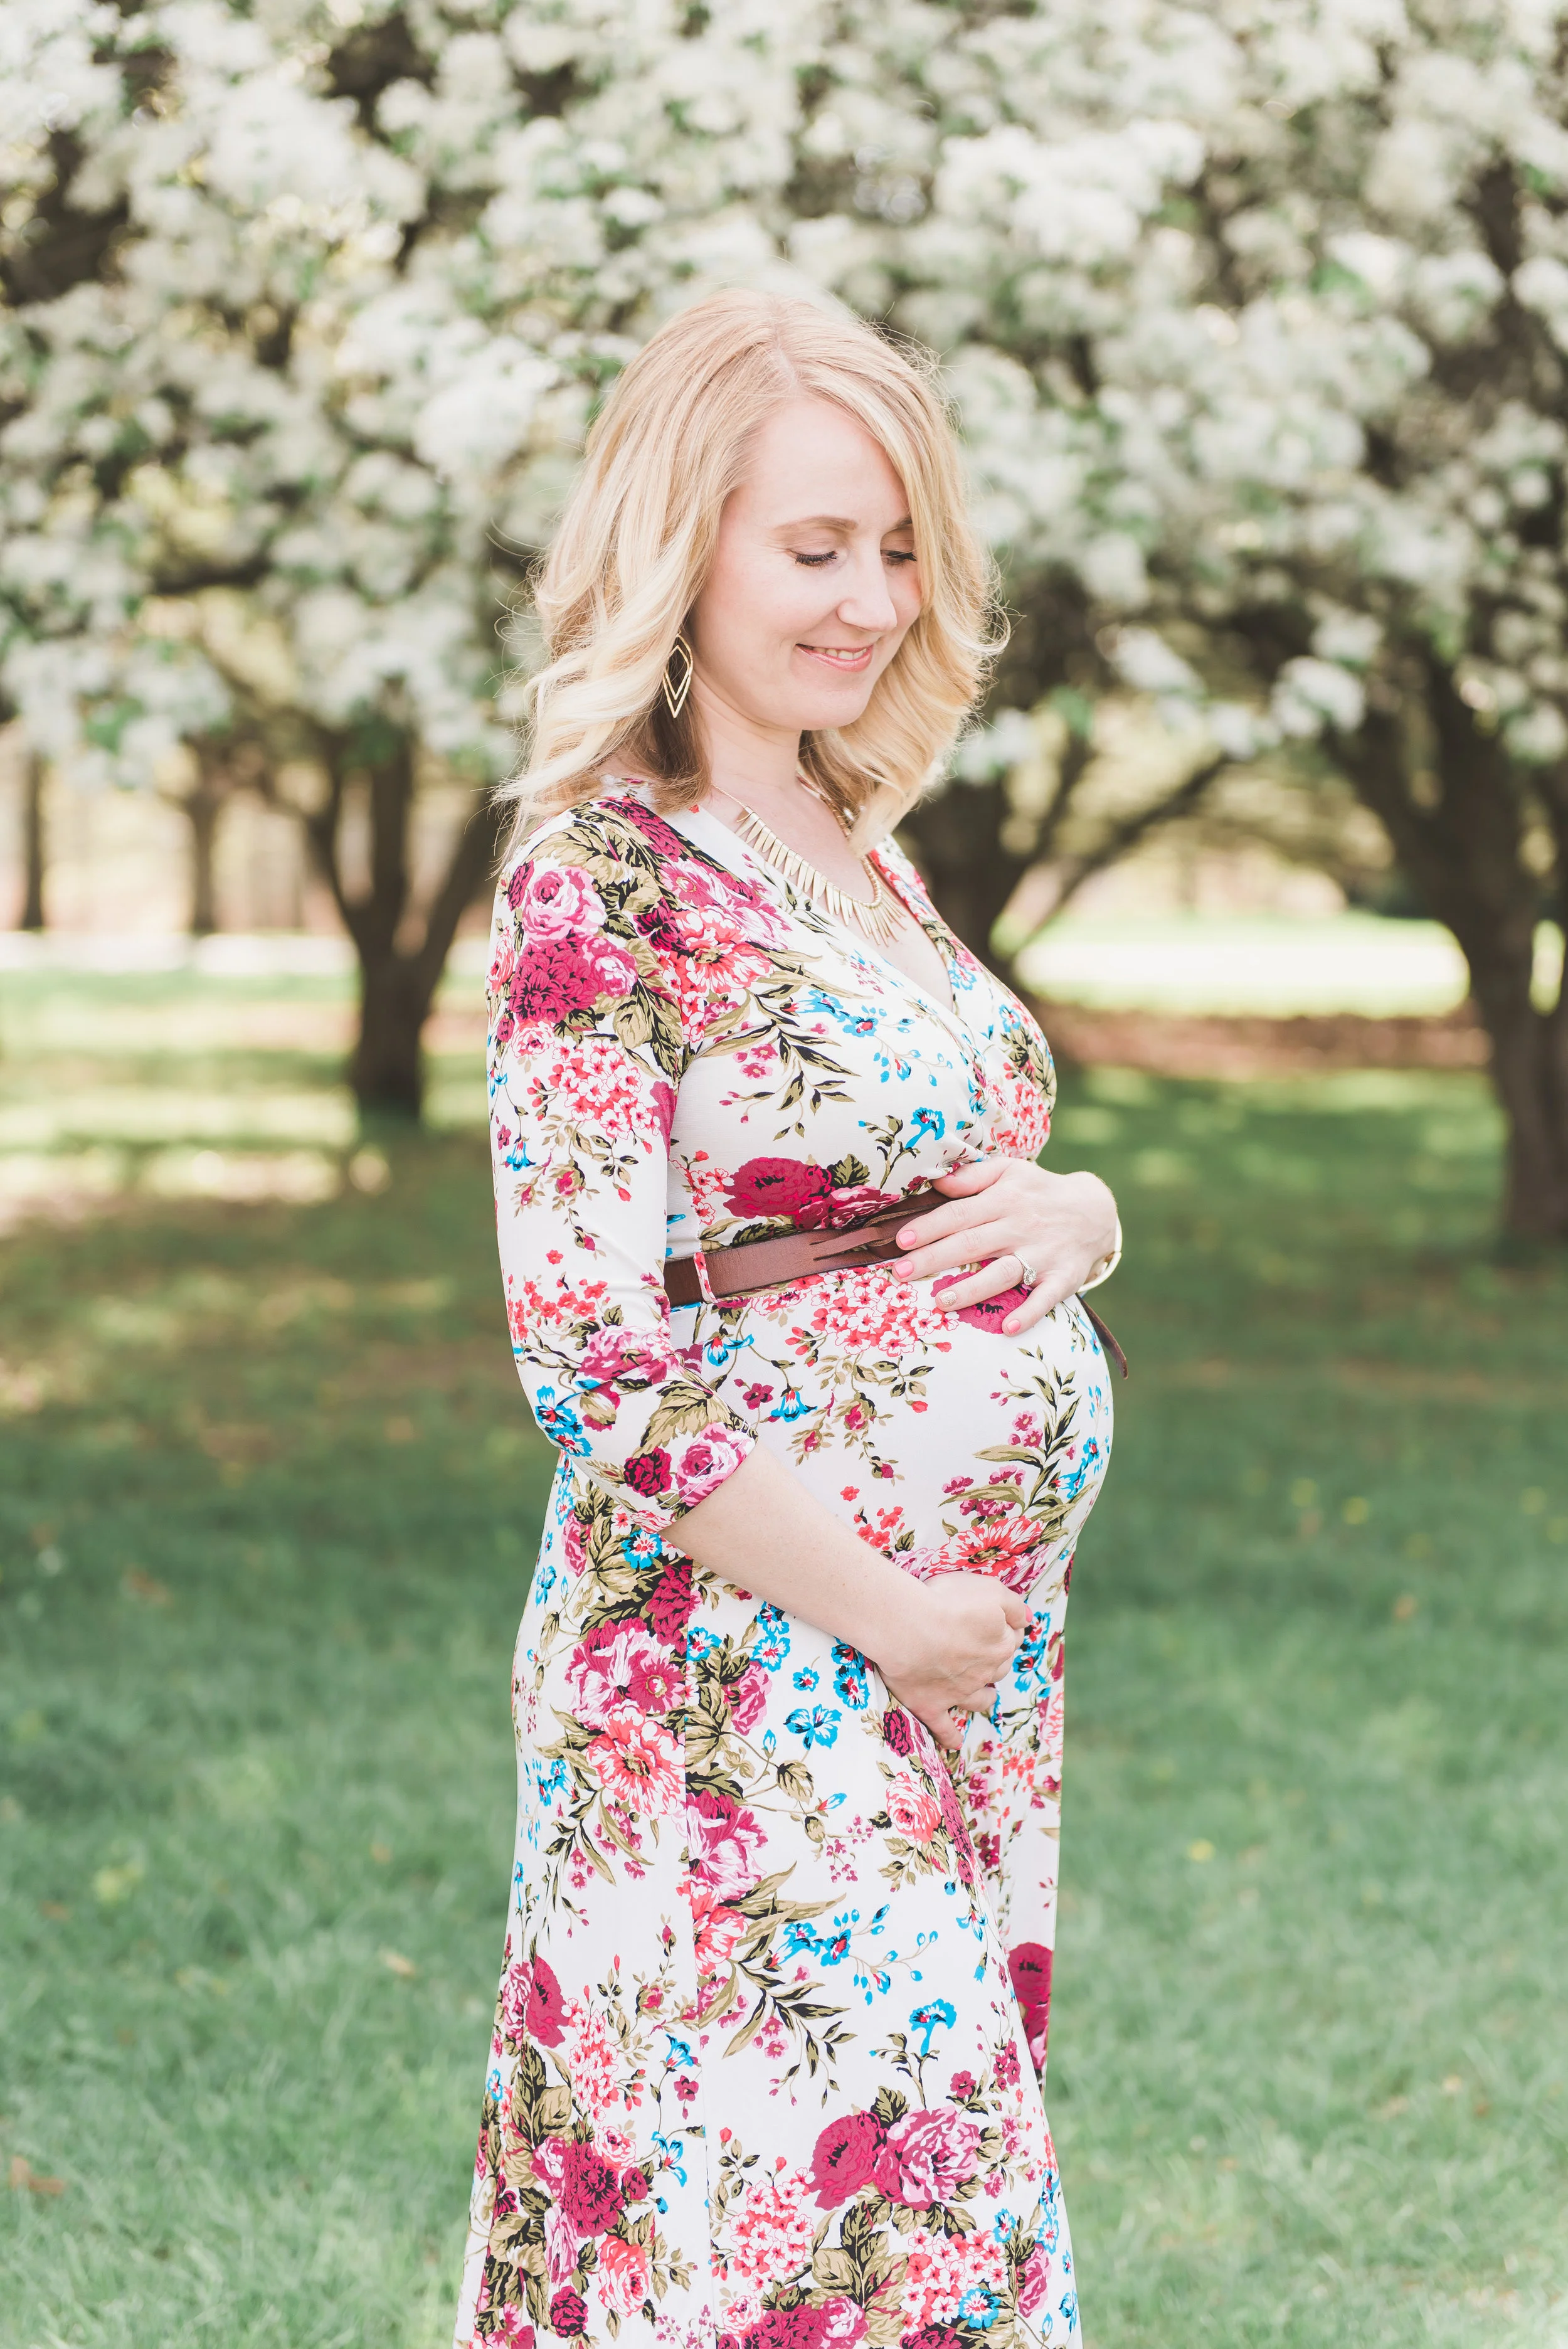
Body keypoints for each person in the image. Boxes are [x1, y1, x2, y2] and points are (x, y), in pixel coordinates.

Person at [455, 289, 1121, 2349]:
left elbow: (921, 1187)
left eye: (897, 547)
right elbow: (590, 1355)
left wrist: (1081, 1215)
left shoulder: (854, 844)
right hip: (748, 1659)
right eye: (811, 546)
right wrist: (893, 1615)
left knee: (901, 2206)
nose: (866, 599)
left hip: (940, 1664)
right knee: (827, 2219)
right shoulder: (601, 881)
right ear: (682, 546)